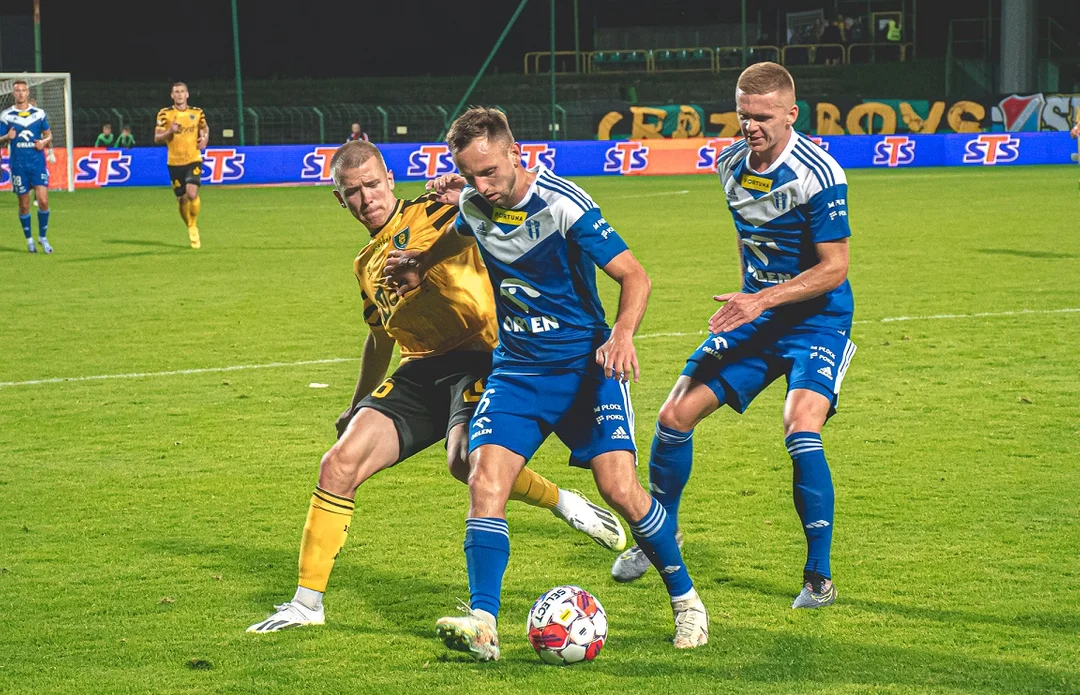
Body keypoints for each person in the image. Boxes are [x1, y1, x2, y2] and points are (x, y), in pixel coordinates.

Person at [246, 139, 626, 634]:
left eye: (372, 185)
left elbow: (504, 203)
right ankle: (305, 605)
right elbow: (379, 338)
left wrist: (462, 188)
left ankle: (563, 502)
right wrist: (357, 403)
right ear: (340, 198)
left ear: (389, 179)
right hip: (421, 368)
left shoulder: (433, 212)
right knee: (338, 463)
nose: (366, 198)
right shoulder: (365, 264)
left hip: (484, 355)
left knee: (464, 462)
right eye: (353, 192)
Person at [404, 108, 708, 662]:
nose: (481, 186)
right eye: (470, 175)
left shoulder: (563, 203)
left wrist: (622, 335)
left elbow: (634, 275)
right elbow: (456, 234)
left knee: (621, 491)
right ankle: (483, 624)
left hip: (586, 370)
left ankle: (686, 600)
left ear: (515, 153)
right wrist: (419, 263)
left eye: (489, 171)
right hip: (518, 372)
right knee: (484, 478)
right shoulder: (473, 204)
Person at [609, 62, 855, 611]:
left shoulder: (820, 173)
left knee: (801, 428)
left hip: (817, 321)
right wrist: (750, 296)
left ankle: (819, 577)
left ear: (791, 113)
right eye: (743, 115)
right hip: (756, 318)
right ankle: (659, 536)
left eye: (763, 117)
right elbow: (748, 238)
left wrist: (761, 299)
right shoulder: (729, 164)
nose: (750, 127)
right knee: (674, 416)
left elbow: (835, 267)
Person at [0, 79, 53, 254]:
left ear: (28, 92)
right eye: (17, 90)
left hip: (37, 163)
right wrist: (6, 137)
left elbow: (48, 135)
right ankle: (29, 240)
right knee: (24, 205)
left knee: (43, 201)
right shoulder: (7, 115)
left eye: (23, 90)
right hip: (19, 165)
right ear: (13, 94)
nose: (21, 93)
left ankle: (43, 237)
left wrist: (43, 143)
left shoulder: (39, 113)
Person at [154, 81, 208, 249]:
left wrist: (204, 138)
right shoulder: (165, 114)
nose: (179, 94)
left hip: (193, 158)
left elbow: (204, 128)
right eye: (176, 92)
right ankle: (189, 225)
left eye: (182, 91)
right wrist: (170, 131)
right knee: (182, 199)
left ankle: (194, 224)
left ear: (187, 94)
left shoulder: (197, 112)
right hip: (175, 162)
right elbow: (157, 138)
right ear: (172, 95)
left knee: (192, 193)